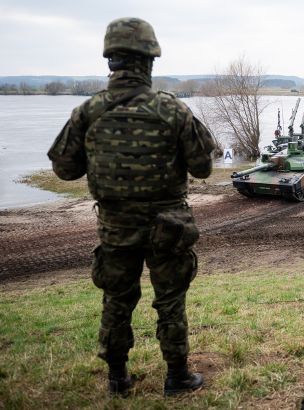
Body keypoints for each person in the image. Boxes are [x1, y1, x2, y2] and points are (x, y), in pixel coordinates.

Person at [47, 17, 216, 397]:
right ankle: (176, 377)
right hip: (168, 228)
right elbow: (204, 168)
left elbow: (64, 169)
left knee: (117, 300)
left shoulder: (88, 111)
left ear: (111, 61)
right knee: (170, 300)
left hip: (116, 229)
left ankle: (118, 380)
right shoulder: (173, 111)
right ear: (150, 61)